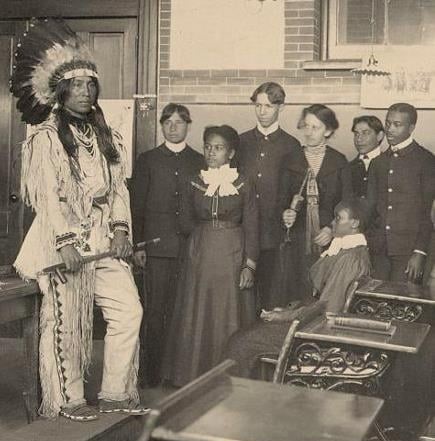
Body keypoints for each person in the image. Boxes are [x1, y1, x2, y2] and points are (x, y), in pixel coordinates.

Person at [10, 19, 148, 421]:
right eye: (76, 85)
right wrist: (65, 242)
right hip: (62, 248)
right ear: (60, 90)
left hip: (103, 243)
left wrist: (121, 229)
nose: (85, 92)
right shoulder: (45, 137)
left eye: (91, 85)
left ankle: (115, 392)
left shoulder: (107, 136)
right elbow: (47, 198)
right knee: (67, 322)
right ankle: (69, 398)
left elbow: (118, 188)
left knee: (128, 311)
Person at [225, 198, 371, 379]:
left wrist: (285, 315)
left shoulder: (350, 259)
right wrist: (290, 310)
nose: (332, 223)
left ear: (355, 223)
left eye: (338, 218)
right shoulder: (346, 250)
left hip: (316, 333)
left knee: (240, 341)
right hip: (313, 322)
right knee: (248, 333)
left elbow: (328, 309)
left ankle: (237, 402)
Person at [163, 125, 259, 386]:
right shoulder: (195, 181)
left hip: (232, 255)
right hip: (201, 254)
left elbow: (251, 225)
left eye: (218, 148)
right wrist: (202, 238)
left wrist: (249, 265)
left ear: (230, 153)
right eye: (207, 147)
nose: (211, 152)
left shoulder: (243, 182)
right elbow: (184, 221)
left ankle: (229, 376)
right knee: (198, 311)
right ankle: (192, 374)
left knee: (228, 312)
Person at [131, 103, 204, 387]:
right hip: (157, 249)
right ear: (161, 126)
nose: (173, 126)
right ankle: (150, 374)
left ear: (188, 125)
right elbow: (137, 206)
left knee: (183, 310)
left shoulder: (198, 160)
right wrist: (139, 245)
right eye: (168, 122)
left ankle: (177, 373)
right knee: (155, 309)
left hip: (189, 248)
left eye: (179, 122)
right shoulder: (148, 159)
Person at [275, 104, 352, 306]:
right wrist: (285, 214)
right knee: (297, 292)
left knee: (323, 294)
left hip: (328, 240)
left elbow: (347, 203)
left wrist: (332, 229)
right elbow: (280, 200)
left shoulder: (339, 161)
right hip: (298, 240)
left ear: (328, 130)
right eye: (305, 126)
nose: (308, 133)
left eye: (315, 127)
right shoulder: (290, 160)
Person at [235, 82, 301, 310]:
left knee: (270, 296)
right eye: (258, 105)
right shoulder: (241, 142)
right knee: (241, 297)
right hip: (241, 232)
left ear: (281, 108)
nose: (262, 112)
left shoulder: (291, 145)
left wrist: (293, 210)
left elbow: (296, 190)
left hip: (274, 234)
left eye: (269, 106)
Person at [367, 103, 435, 283]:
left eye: (397, 125)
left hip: (408, 250)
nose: (390, 129)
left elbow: (427, 213)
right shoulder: (378, 163)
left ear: (411, 128)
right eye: (388, 123)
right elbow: (371, 208)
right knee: (374, 301)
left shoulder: (426, 161)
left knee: (402, 305)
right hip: (378, 249)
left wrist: (420, 252)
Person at [348, 115, 384, 198]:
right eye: (356, 134)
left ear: (379, 136)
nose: (359, 139)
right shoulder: (347, 168)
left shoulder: (390, 164)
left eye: (365, 133)